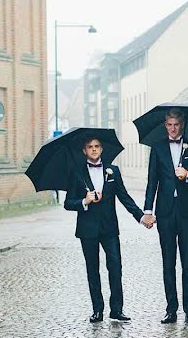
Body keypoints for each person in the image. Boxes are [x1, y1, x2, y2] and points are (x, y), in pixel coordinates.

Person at [65, 136, 152, 323]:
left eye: (97, 146)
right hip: (87, 229)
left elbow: (124, 197)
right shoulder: (77, 172)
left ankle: (117, 310)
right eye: (90, 147)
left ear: (102, 149)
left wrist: (141, 216)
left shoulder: (113, 171)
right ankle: (97, 310)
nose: (94, 150)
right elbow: (67, 203)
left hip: (109, 228)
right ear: (84, 151)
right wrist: (84, 201)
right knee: (92, 269)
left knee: (115, 267)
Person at [143, 109, 188, 325]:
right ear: (165, 125)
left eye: (176, 125)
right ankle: (171, 309)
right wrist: (148, 211)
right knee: (168, 261)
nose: (173, 128)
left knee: (187, 261)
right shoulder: (158, 148)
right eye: (169, 125)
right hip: (165, 212)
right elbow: (152, 181)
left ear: (183, 125)